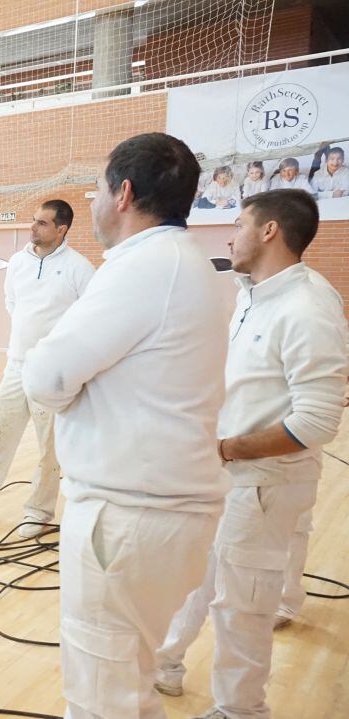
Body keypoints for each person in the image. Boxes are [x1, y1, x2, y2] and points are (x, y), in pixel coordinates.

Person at [22, 132, 229, 719]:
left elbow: (46, 377)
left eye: (96, 189)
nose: (92, 202)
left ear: (124, 194)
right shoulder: (185, 263)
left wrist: (74, 389)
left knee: (102, 700)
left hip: (130, 518)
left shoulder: (143, 267)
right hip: (160, 513)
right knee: (126, 688)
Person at [154, 189, 347, 719]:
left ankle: (240, 709)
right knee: (197, 577)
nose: (229, 237)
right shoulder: (251, 294)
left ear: (269, 231)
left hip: (264, 484)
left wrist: (227, 447)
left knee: (243, 607)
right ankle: (165, 663)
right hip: (229, 473)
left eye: (238, 225)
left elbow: (315, 423)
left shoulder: (308, 307)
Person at [0, 200, 93, 533]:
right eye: (33, 220)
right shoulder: (18, 262)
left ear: (61, 229)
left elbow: (90, 318)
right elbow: (12, 302)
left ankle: (38, 512)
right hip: (16, 366)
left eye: (42, 223)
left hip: (54, 373)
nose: (33, 227)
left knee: (49, 450)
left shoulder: (79, 268)